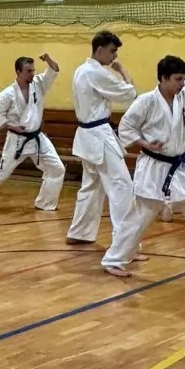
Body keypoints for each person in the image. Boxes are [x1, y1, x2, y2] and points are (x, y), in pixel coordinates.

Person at [100, 56, 185, 278]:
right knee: (140, 215)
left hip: (181, 167)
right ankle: (114, 259)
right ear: (164, 79)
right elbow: (126, 127)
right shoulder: (146, 101)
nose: (182, 83)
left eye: (184, 78)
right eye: (178, 79)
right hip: (154, 166)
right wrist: (145, 143)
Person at [0, 53, 65, 211]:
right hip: (17, 141)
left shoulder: (38, 85)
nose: (32, 74)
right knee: (2, 173)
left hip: (37, 138)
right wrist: (12, 127)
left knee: (57, 168)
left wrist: (48, 59)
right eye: (28, 71)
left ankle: (45, 203)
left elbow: (54, 70)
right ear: (18, 72)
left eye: (33, 70)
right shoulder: (7, 94)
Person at [66, 31, 138, 247]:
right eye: (112, 51)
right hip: (99, 136)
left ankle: (80, 232)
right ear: (99, 50)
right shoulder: (96, 73)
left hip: (88, 135)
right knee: (122, 186)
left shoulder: (81, 70)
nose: (115, 56)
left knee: (91, 185)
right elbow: (130, 93)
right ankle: (125, 246)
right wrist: (122, 71)